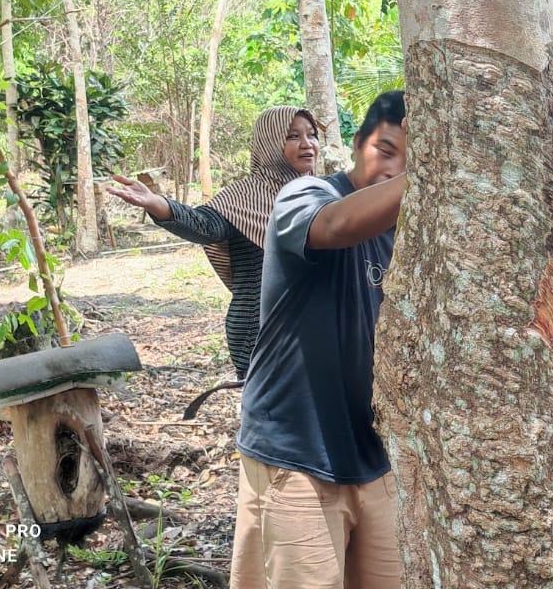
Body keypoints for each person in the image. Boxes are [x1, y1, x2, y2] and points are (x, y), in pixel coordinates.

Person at [228, 91, 407, 589]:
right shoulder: (306, 196)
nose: (393, 172)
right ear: (356, 143)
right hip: (297, 452)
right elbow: (335, 226)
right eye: (386, 151)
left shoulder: (414, 235)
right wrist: (435, 171)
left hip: (378, 457)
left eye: (411, 161)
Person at [108, 106, 317, 379]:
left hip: (316, 331)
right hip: (262, 332)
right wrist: (157, 203)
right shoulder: (245, 196)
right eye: (293, 136)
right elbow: (202, 225)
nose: (307, 144)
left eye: (311, 134)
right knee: (273, 418)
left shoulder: (318, 193)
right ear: (270, 141)